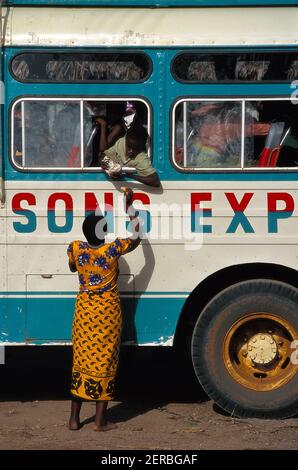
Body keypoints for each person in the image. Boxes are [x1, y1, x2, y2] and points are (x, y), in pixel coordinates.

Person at [67, 187, 141, 431]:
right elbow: (137, 237)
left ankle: (74, 419)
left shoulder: (76, 248)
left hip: (85, 312)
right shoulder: (112, 249)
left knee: (81, 361)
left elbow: (72, 268)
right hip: (107, 314)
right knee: (105, 362)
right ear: (105, 232)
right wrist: (130, 208)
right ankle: (99, 421)